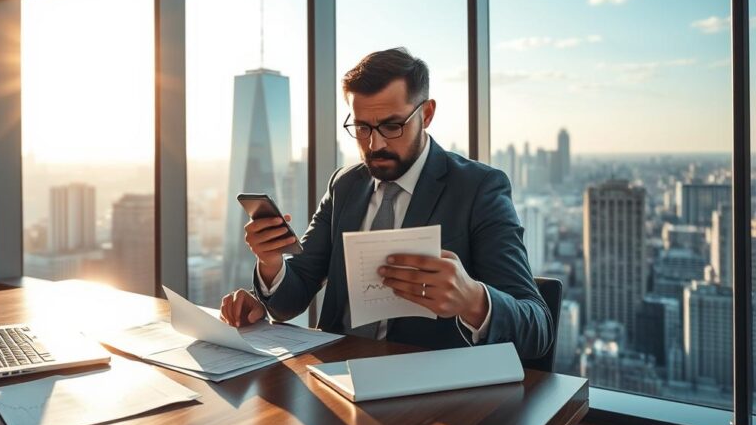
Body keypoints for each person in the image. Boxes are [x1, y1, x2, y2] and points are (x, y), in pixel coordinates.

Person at [219, 48, 552, 359]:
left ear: (427, 113)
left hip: (429, 394)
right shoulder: (344, 185)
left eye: (392, 126)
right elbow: (293, 297)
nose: (375, 144)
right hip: (335, 377)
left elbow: (538, 328)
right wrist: (272, 263)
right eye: (362, 127)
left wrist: (473, 300)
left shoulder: (478, 189)